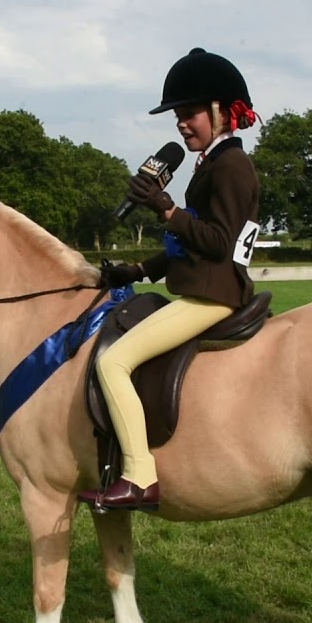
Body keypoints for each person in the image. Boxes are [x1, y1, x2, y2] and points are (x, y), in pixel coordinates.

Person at [79, 48, 261, 512]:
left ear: (222, 112)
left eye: (190, 113)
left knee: (113, 362)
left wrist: (166, 208)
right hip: (200, 286)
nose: (182, 124)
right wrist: (139, 270)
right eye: (178, 116)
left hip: (213, 297)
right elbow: (190, 244)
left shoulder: (233, 167)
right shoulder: (211, 164)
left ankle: (140, 475)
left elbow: (218, 243)